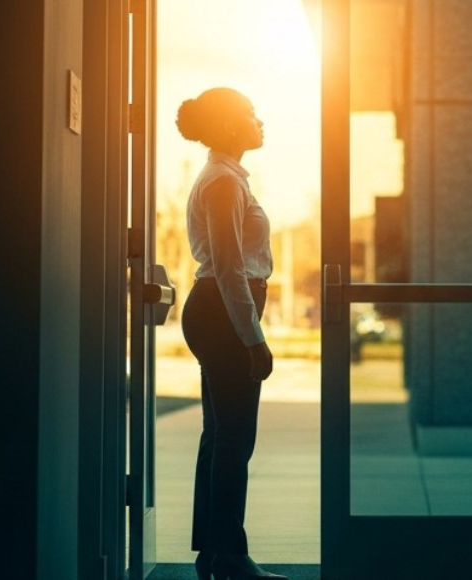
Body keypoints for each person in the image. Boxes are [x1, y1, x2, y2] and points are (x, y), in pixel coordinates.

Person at [176, 87, 287, 580]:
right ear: (226, 128)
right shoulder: (223, 182)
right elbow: (228, 268)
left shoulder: (226, 177)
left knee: (220, 435)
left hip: (216, 312)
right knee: (234, 439)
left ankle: (214, 555)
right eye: (249, 114)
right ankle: (232, 558)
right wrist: (254, 339)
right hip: (222, 314)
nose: (259, 120)